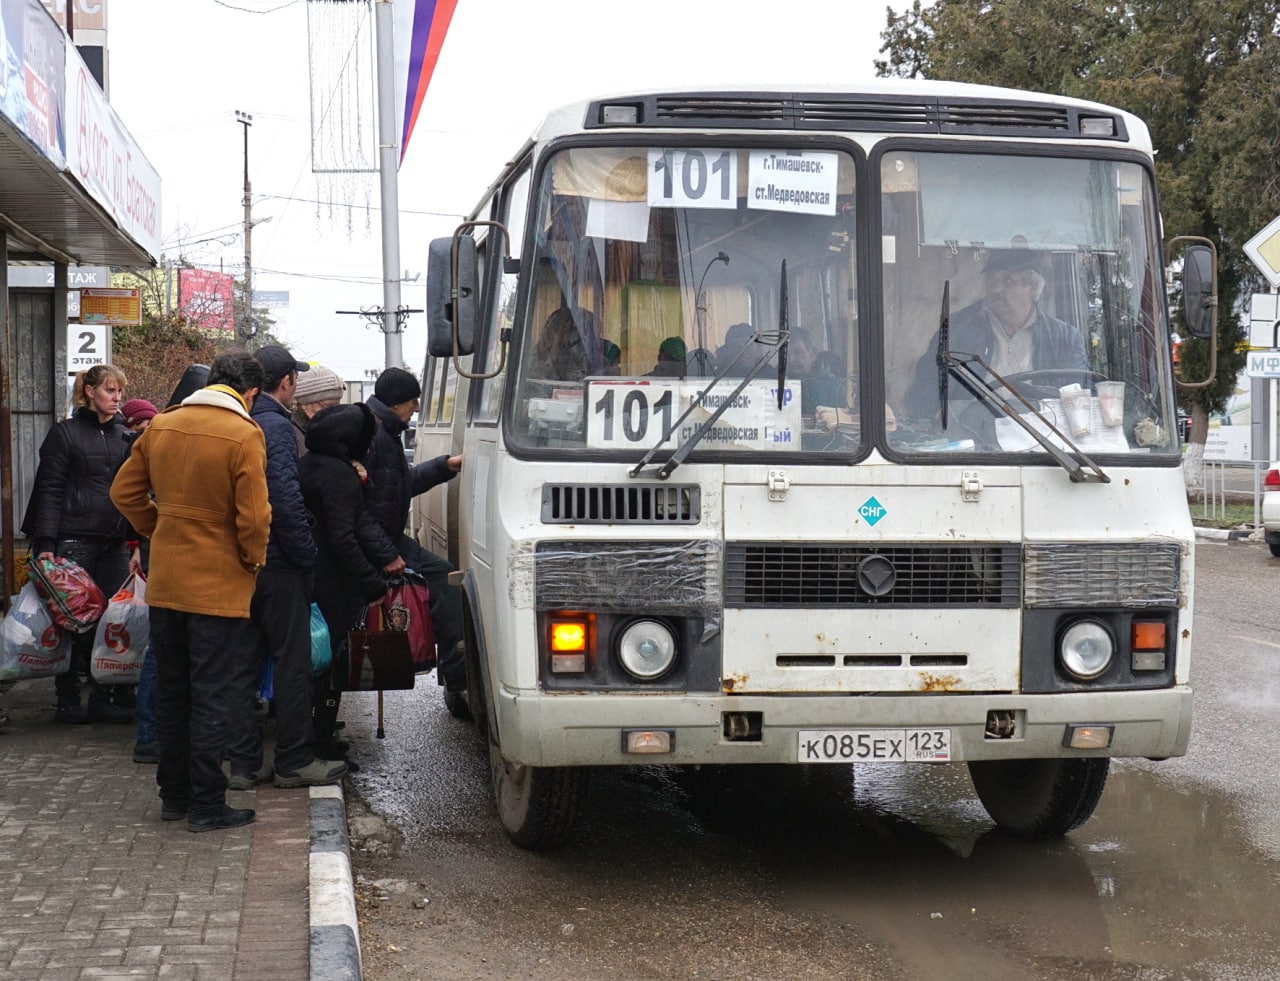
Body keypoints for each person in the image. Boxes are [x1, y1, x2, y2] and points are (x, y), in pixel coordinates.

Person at [110, 352, 271, 834]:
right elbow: (256, 518)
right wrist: (252, 560)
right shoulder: (244, 434)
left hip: (167, 582)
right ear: (251, 393)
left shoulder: (161, 426)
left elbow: (124, 493)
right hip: (217, 586)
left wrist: (157, 528)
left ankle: (174, 795)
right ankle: (207, 804)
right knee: (212, 695)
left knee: (174, 691)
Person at [225, 346, 346, 791]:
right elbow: (283, 501)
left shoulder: (237, 420)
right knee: (292, 663)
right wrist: (307, 558)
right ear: (288, 383)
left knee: (243, 663)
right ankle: (294, 759)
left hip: (239, 562)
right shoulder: (275, 427)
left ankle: (242, 763)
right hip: (278, 563)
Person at [21, 364, 139, 725]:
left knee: (113, 621)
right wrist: (46, 543)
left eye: (119, 391)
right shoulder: (65, 434)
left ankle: (103, 695)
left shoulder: (125, 436)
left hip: (114, 542)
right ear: (89, 392)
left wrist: (135, 541)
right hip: (72, 542)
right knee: (71, 622)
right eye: (109, 390)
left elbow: (135, 492)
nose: (116, 398)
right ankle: (68, 697)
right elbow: (49, 490)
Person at [360, 367, 466, 719]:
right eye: (412, 401)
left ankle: (455, 675)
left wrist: (445, 466)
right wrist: (387, 555)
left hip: (389, 542)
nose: (416, 408)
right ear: (396, 403)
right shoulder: (373, 436)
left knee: (447, 578)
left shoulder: (385, 432)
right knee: (446, 581)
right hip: (383, 546)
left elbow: (400, 487)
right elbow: (358, 511)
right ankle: (457, 677)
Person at [905, 249, 1089, 417]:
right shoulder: (956, 329)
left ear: (1033, 288)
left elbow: (1080, 400)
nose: (996, 289)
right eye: (992, 281)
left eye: (1008, 281)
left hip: (1042, 440)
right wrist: (942, 417)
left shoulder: (1064, 339)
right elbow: (924, 388)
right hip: (973, 441)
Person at [298, 403, 390, 722]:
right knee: (330, 662)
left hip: (308, 576)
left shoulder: (309, 464)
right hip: (332, 583)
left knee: (313, 659)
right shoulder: (339, 475)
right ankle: (320, 738)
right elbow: (343, 537)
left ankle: (314, 734)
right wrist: (371, 582)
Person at [291, 363, 346, 452]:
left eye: (338, 406)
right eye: (329, 406)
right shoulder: (292, 435)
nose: (335, 413)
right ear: (305, 404)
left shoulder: (330, 435)